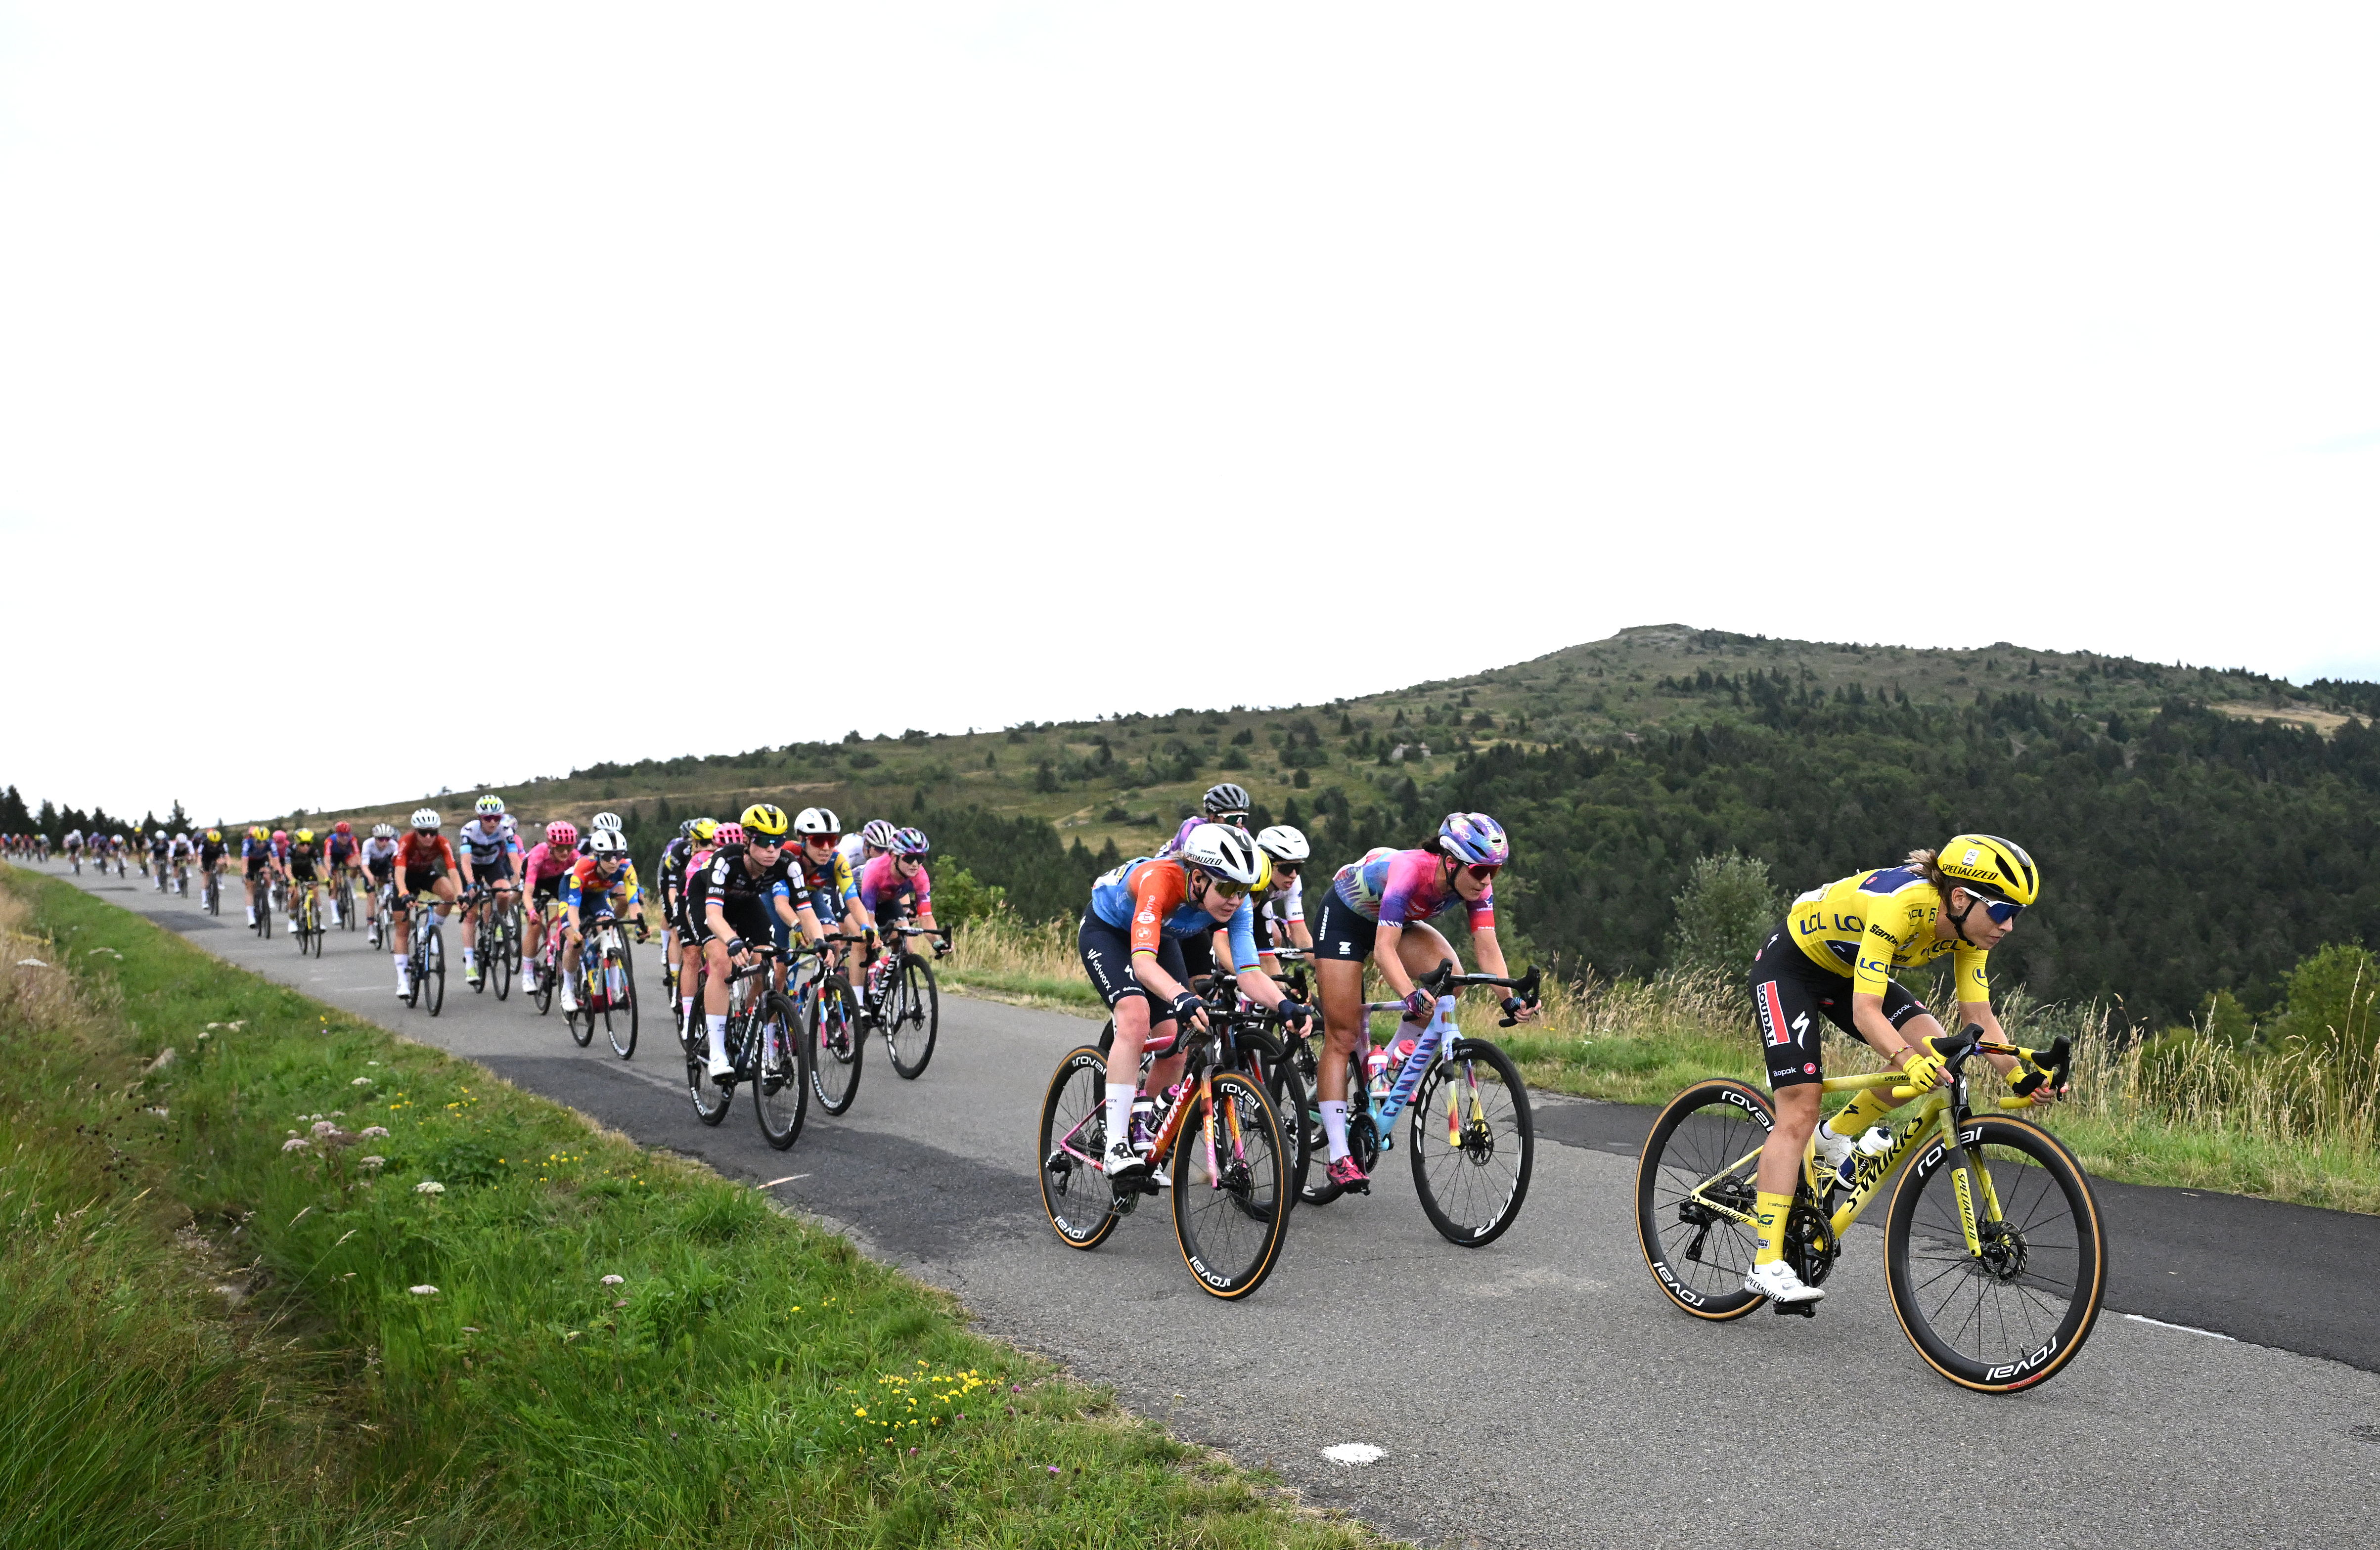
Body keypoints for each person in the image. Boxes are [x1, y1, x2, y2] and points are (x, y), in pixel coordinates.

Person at [1741, 834, 2052, 1304]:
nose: (2009, 926)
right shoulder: (1902, 907)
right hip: (1791, 968)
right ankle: (1765, 1261)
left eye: (2017, 914)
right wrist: (1907, 1060)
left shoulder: (1971, 930)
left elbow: (1978, 1019)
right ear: (1962, 897)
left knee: (1942, 1058)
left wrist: (2021, 1077)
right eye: (2004, 911)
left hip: (1848, 971)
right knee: (1799, 1109)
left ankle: (1834, 1135)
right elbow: (1867, 1013)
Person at [1310, 812, 1534, 1195]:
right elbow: (1383, 950)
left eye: (1494, 872)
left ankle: (1394, 1058)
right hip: (1347, 920)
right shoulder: (1410, 871)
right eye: (1480, 869)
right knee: (1343, 1034)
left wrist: (1509, 999)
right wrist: (1408, 995)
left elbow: (1487, 946)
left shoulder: (1476, 885)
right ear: (1450, 861)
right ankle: (1338, 1155)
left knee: (1451, 981)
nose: (1486, 880)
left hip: (1396, 922)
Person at [1077, 824, 1310, 1184]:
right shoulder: (1160, 880)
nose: (1236, 899)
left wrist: (1284, 1006)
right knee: (1135, 1017)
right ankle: (1116, 1145)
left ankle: (1141, 1134)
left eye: (1244, 889)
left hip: (1163, 934)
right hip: (1107, 930)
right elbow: (1143, 964)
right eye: (1229, 888)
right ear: (1199, 878)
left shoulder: (1238, 903)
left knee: (1174, 1044)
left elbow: (1249, 973)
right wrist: (1180, 995)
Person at [684, 805, 803, 1080]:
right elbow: (713, 916)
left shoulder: (787, 864)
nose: (772, 849)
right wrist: (734, 941)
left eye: (778, 842)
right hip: (706, 901)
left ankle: (746, 1021)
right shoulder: (727, 860)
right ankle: (717, 1054)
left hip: (745, 903)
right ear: (747, 841)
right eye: (764, 841)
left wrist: (820, 942)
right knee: (723, 962)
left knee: (768, 968)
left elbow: (805, 910)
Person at [557, 830, 646, 1013]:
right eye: (607, 856)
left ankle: (614, 990)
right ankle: (567, 988)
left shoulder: (626, 869)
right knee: (573, 942)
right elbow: (573, 909)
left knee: (608, 928)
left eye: (618, 855)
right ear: (597, 856)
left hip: (598, 895)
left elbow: (634, 903)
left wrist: (640, 926)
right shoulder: (583, 867)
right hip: (572, 895)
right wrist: (576, 932)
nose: (614, 861)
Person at [854, 827, 947, 994]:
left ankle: (881, 968)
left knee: (906, 948)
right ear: (894, 856)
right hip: (858, 897)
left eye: (920, 859)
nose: (915, 864)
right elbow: (868, 916)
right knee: (865, 941)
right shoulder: (876, 870)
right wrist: (873, 933)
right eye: (909, 858)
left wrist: (937, 943)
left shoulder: (921, 877)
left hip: (887, 901)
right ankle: (854, 994)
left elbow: (926, 916)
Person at [388, 810, 463, 998]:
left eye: (433, 832)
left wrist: (461, 895)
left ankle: (431, 928)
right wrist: (404, 893)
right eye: (423, 833)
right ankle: (402, 980)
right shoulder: (406, 842)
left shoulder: (442, 842)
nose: (429, 837)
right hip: (405, 877)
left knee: (448, 894)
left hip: (426, 874)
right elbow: (399, 873)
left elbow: (453, 872)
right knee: (403, 927)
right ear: (416, 832)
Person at [454, 795, 521, 988]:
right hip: (472, 868)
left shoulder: (505, 829)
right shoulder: (469, 830)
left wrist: (521, 876)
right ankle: (470, 966)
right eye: (488, 818)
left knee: (504, 893)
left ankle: (499, 922)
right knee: (470, 915)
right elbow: (465, 862)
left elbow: (514, 856)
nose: (493, 822)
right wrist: (471, 883)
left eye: (497, 818)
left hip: (492, 866)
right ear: (480, 817)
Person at [519, 820, 579, 988]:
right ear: (551, 846)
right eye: (560, 848)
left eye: (570, 847)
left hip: (557, 879)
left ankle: (559, 944)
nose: (566, 852)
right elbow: (528, 893)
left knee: (569, 911)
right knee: (535, 925)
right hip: (536, 880)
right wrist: (531, 912)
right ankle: (528, 973)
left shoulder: (575, 857)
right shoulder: (539, 855)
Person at [1252, 824, 1314, 971]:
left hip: (1262, 914)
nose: (1293, 875)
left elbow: (1300, 934)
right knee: (1275, 933)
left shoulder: (1294, 882)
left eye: (1298, 868)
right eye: (1286, 869)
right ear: (1266, 862)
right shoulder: (1251, 882)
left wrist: (1327, 967)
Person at [359, 823, 401, 945]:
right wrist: (370, 877)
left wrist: (393, 877)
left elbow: (397, 865)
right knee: (371, 898)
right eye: (381, 839)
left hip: (384, 867)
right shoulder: (368, 844)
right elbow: (364, 866)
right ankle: (371, 930)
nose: (384, 842)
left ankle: (384, 909)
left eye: (387, 839)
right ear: (375, 838)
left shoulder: (394, 845)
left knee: (389, 891)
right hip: (370, 868)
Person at [240, 825, 280, 926]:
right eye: (259, 842)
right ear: (254, 838)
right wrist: (245, 875)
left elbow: (276, 860)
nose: (262, 844)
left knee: (267, 874)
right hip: (251, 862)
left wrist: (278, 872)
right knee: (250, 888)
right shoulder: (247, 843)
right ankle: (251, 918)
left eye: (264, 842)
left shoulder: (271, 843)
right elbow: (244, 862)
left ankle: (268, 897)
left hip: (262, 861)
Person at [284, 828, 323, 928]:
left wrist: (327, 878)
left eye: (308, 844)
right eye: (302, 844)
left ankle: (318, 921)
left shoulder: (313, 850)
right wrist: (292, 880)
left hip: (307, 870)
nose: (306, 847)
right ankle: (292, 921)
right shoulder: (290, 849)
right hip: (293, 872)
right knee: (295, 895)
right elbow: (287, 868)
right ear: (297, 843)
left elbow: (320, 866)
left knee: (315, 891)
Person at [324, 821, 360, 924]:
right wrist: (330, 872)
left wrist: (360, 867)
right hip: (333, 859)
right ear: (337, 835)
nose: (345, 838)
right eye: (341, 835)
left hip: (345, 856)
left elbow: (358, 856)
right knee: (335, 884)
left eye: (347, 835)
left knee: (356, 866)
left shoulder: (353, 840)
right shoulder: (330, 841)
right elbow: (327, 859)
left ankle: (351, 886)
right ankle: (335, 915)